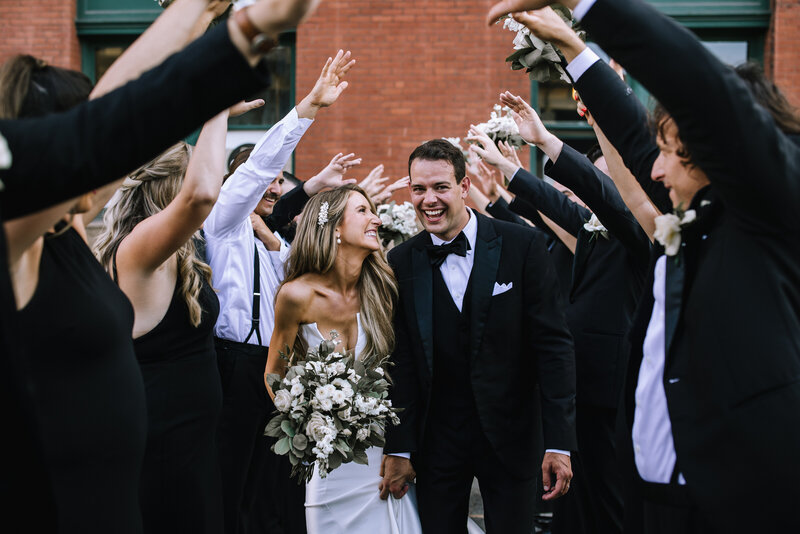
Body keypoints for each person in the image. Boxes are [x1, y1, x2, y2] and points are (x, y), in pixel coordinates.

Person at [0, 0, 324, 528]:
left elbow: (97, 121)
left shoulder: (65, 230)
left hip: (117, 495)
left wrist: (211, 19)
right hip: (60, 502)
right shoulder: (15, 246)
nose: (105, 158)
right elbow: (93, 136)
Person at [490, 0, 800, 531]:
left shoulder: (767, 215)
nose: (654, 169)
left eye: (668, 151)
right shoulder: (693, 228)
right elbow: (633, 144)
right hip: (653, 504)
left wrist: (591, 7)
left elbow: (702, 91)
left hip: (734, 503)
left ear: (715, 149)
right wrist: (571, 48)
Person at [469, 98, 651, 534]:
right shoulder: (593, 231)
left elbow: (605, 199)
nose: (596, 189)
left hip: (609, 387)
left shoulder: (638, 236)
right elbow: (550, 207)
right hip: (575, 381)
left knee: (606, 495)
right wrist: (504, 168)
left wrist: (548, 141)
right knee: (575, 496)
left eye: (602, 179)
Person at [380, 139, 577, 534]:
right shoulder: (400, 261)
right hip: (437, 443)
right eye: (418, 189)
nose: (428, 200)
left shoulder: (523, 245)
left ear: (464, 186)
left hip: (513, 437)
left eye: (440, 187)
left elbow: (553, 347)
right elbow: (399, 360)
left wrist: (559, 442)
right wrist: (399, 447)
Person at [204, 51, 358, 534]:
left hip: (273, 367)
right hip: (227, 361)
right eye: (264, 181)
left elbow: (291, 222)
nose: (272, 187)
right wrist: (307, 109)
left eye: (277, 183)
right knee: (227, 479)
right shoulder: (222, 224)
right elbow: (256, 176)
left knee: (268, 481)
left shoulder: (274, 242)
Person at [92, 99, 259, 534]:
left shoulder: (174, 251)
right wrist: (216, 110)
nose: (214, 187)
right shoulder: (136, 250)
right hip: (162, 448)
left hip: (192, 444)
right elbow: (203, 195)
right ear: (174, 188)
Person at [264, 184, 421, 534]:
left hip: (383, 453)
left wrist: (404, 450)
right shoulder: (296, 295)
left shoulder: (385, 287)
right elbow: (274, 374)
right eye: (363, 211)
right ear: (334, 228)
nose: (376, 220)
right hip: (328, 460)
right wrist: (307, 422)